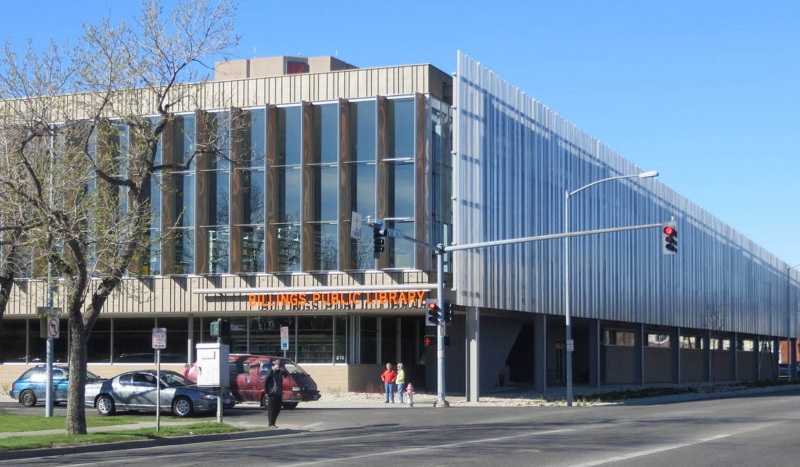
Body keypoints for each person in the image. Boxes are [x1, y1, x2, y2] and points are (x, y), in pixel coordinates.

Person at [263, 359, 284, 427]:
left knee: (278, 408)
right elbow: (265, 382)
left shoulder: (280, 372)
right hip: (272, 393)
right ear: (275, 365)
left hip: (278, 393)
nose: (279, 367)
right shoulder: (271, 372)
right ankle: (271, 423)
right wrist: (266, 391)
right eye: (278, 366)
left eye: (280, 366)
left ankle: (274, 423)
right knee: (271, 409)